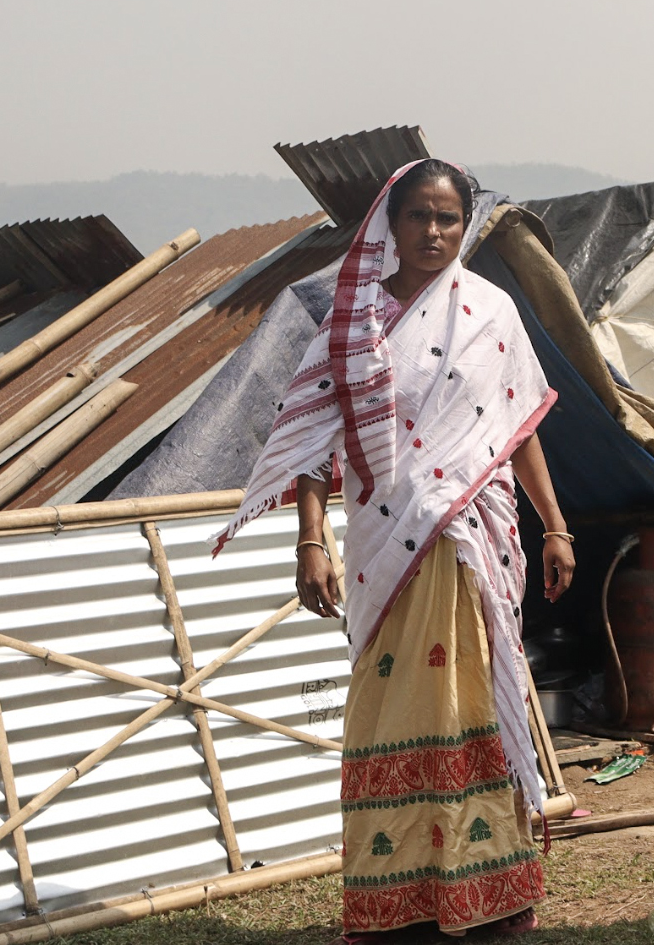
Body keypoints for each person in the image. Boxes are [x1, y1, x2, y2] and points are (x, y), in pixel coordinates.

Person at [218, 159, 576, 940]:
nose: (434, 231)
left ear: (465, 226)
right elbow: (312, 444)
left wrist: (555, 523)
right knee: (386, 711)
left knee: (474, 702)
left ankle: (489, 894)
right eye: (420, 215)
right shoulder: (354, 322)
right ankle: (397, 899)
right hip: (386, 550)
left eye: (449, 218)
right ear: (391, 221)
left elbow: (517, 427)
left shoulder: (490, 311)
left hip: (470, 545)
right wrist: (310, 539)